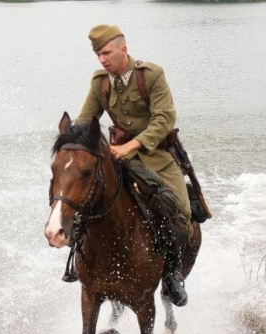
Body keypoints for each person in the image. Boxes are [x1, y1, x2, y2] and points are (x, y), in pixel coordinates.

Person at [77, 24, 191, 306]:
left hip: (158, 158)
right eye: (98, 55)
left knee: (180, 213)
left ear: (123, 49)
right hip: (118, 159)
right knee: (83, 204)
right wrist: (72, 144)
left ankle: (171, 274)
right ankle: (81, 265)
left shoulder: (151, 75)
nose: (102, 59)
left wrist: (133, 144)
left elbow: (164, 119)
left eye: (106, 52)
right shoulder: (100, 81)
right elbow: (85, 120)